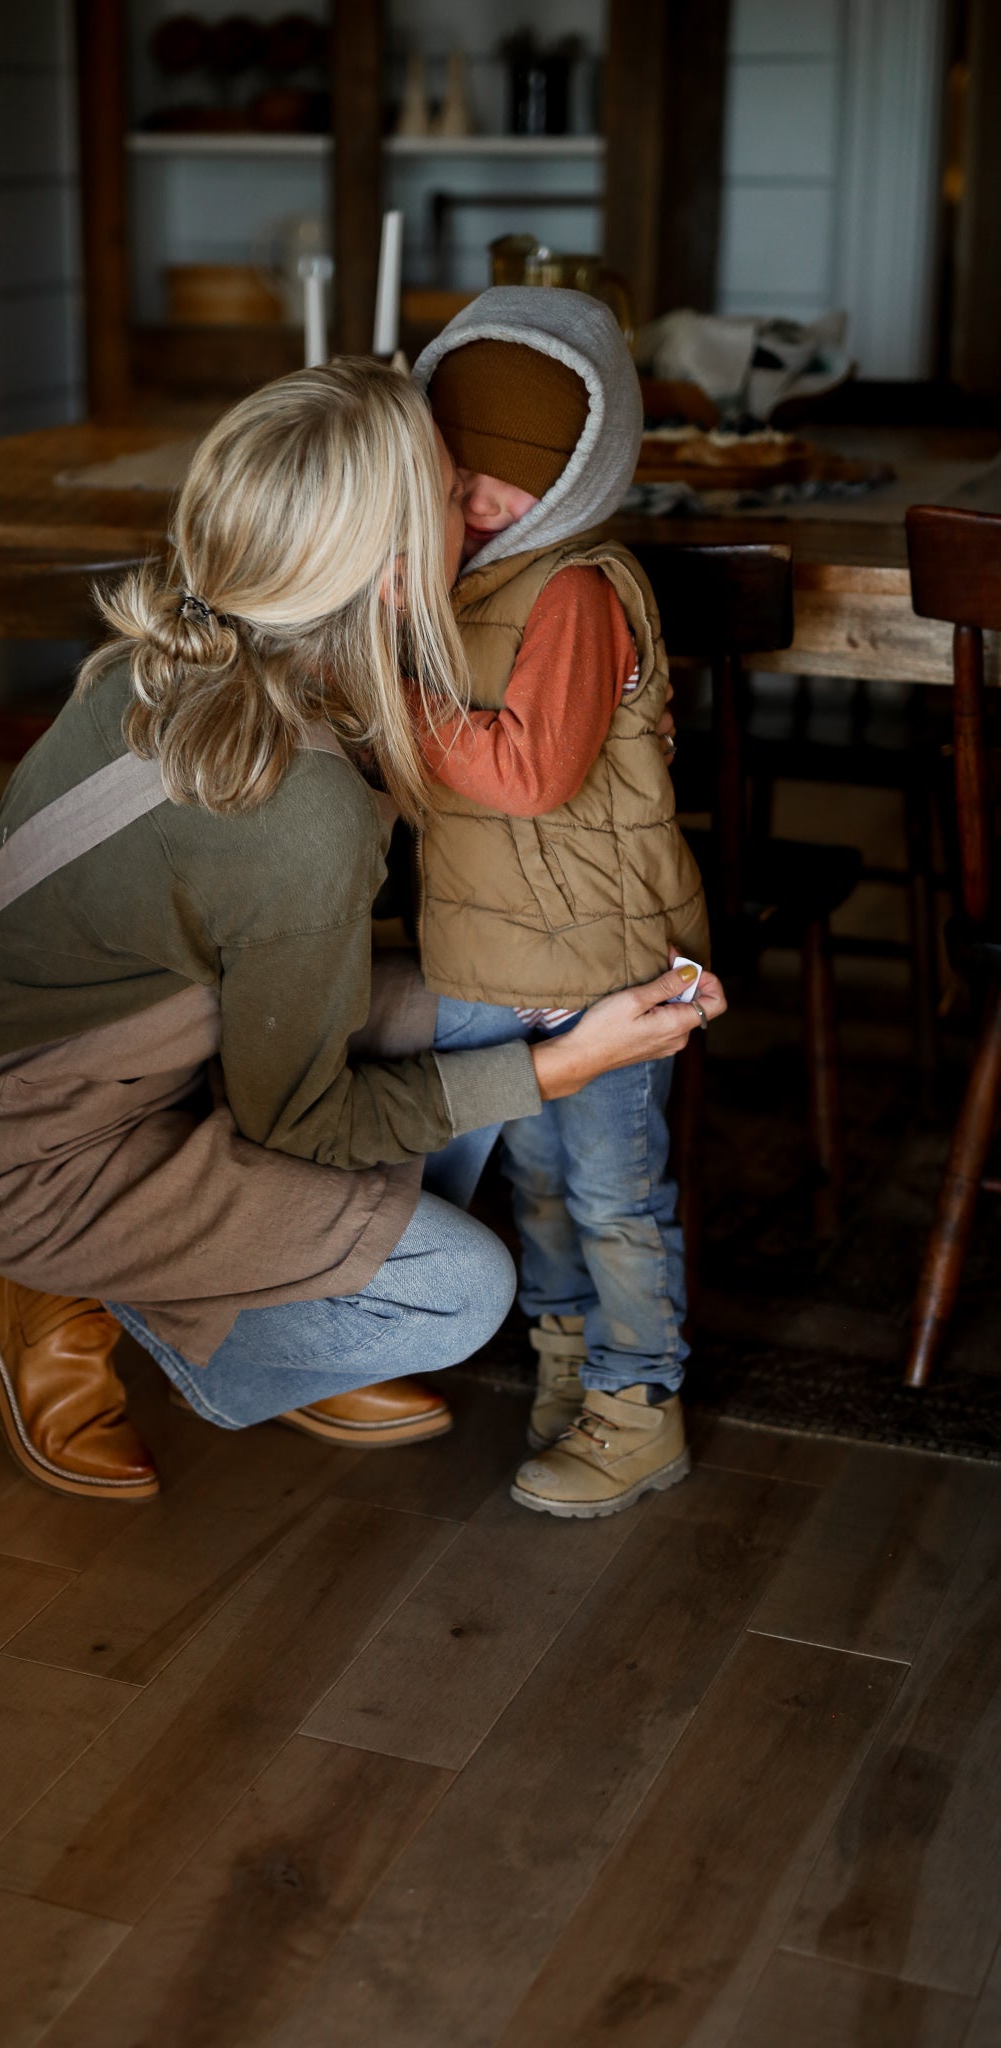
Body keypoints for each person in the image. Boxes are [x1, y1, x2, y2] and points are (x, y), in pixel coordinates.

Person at [0, 357, 723, 1504]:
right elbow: (302, 1117)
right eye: (453, 491)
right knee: (460, 1292)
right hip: (32, 1162)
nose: (476, 509)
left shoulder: (181, 655)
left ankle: (273, 1272)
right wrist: (565, 1063)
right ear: (390, 573)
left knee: (478, 992)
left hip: (95, 1072)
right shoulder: (303, 808)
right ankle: (67, 1288)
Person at [412, 287, 717, 1520]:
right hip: (499, 954)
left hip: (602, 964)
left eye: (513, 484)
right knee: (534, 1180)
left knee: (610, 1188)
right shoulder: (464, 580)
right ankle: (568, 1358)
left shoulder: (574, 591)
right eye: (460, 473)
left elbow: (531, 775)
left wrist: (400, 696)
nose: (480, 502)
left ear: (586, 479)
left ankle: (640, 1400)